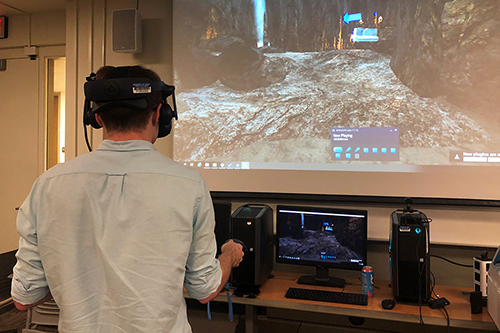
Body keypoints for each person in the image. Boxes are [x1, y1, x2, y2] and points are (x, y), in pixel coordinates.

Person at [11, 65, 244, 332]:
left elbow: (23, 297)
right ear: (160, 113)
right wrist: (228, 255)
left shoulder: (47, 185)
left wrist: (75, 279)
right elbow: (204, 290)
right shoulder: (189, 184)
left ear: (96, 117)